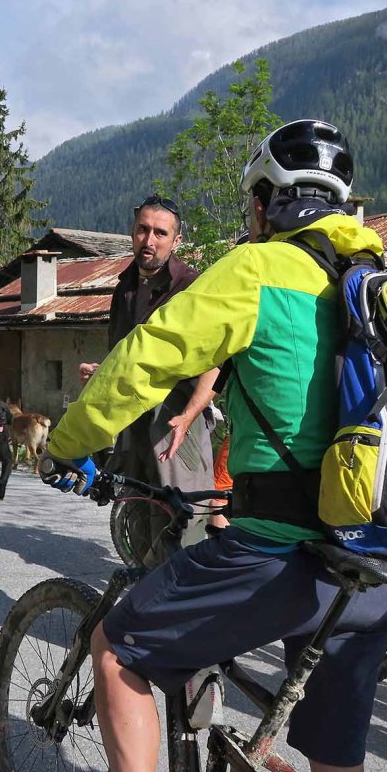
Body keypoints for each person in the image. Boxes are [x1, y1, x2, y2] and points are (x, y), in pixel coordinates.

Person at [43, 119, 387, 772]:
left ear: (269, 200)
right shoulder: (386, 286)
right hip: (377, 566)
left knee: (115, 649)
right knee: (335, 763)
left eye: (253, 202)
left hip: (284, 553)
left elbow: (143, 362)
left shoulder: (257, 269)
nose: (251, 216)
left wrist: (69, 441)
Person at [81, 193, 218, 555]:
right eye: (143, 229)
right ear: (132, 231)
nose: (149, 240)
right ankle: (142, 603)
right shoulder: (125, 286)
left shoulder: (191, 287)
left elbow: (218, 361)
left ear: (176, 241)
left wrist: (189, 416)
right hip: (133, 423)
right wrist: (103, 372)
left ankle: (179, 607)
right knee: (137, 522)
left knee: (182, 526)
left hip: (174, 422)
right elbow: (124, 354)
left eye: (160, 233)